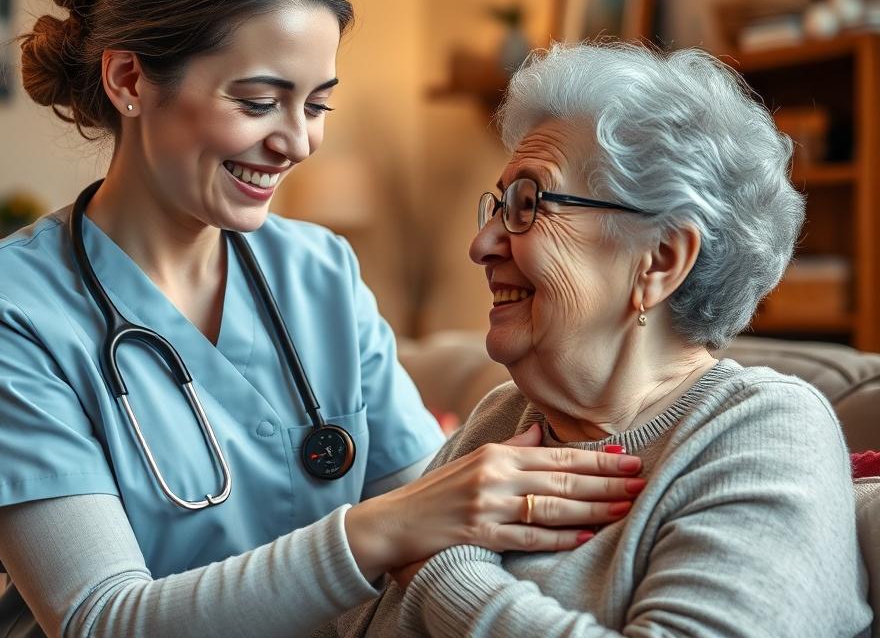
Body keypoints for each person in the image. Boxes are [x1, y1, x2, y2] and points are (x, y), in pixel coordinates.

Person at [0, 0, 646, 637]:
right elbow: (102, 620)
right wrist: (378, 531)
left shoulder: (319, 271)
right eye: (260, 101)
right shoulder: (1, 313)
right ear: (130, 79)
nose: (296, 142)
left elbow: (435, 524)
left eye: (317, 105)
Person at [333, 42, 873, 637]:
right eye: (497, 205)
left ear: (660, 260)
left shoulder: (761, 430)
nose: (481, 245)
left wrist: (445, 573)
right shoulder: (506, 418)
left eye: (528, 204)